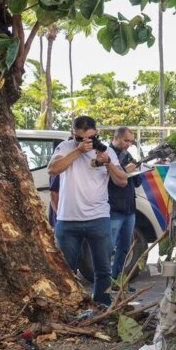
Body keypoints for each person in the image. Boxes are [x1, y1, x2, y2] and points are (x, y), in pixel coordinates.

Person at [48, 116, 128, 306]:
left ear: (97, 133)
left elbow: (122, 180)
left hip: (98, 218)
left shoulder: (106, 151)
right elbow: (53, 169)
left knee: (102, 269)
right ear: (72, 134)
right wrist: (78, 150)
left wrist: (108, 162)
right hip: (68, 219)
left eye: (90, 138)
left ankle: (102, 305)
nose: (85, 142)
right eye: (79, 138)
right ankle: (69, 305)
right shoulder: (66, 148)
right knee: (66, 269)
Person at [108, 128, 143, 286]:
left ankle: (118, 281)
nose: (128, 144)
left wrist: (137, 170)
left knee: (126, 247)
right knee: (108, 247)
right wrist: (124, 170)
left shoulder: (128, 155)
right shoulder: (107, 154)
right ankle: (105, 282)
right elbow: (108, 178)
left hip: (129, 207)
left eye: (130, 141)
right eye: (125, 140)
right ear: (116, 138)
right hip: (114, 207)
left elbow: (136, 182)